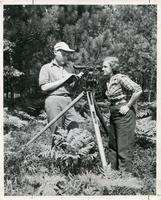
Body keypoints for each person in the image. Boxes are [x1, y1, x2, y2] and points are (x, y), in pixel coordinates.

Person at [102, 56, 142, 172]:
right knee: (113, 146)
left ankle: (125, 179)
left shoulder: (120, 78)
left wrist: (128, 106)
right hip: (114, 112)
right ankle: (114, 175)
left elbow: (137, 90)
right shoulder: (109, 81)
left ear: (112, 67)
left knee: (123, 147)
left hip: (124, 113)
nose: (102, 69)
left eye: (105, 67)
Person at [39, 41, 83, 147]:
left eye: (67, 55)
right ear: (55, 52)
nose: (66, 57)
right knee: (57, 133)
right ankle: (56, 160)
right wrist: (65, 79)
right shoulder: (46, 68)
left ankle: (72, 157)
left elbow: (72, 88)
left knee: (75, 130)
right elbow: (44, 87)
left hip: (68, 100)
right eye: (63, 54)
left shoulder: (69, 68)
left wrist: (78, 80)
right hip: (54, 100)